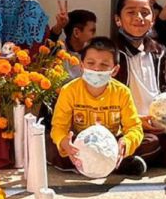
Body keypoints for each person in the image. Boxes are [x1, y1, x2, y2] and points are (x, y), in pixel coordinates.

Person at [113, 0, 166, 170]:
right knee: (152, 143)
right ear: (118, 19)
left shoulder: (159, 51)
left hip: (156, 121)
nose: (139, 17)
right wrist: (135, 120)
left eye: (145, 13)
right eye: (131, 12)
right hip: (126, 123)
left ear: (152, 20)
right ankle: (119, 158)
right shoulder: (111, 52)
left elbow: (164, 87)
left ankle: (130, 159)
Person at [50, 37, 145, 175]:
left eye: (104, 65)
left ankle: (112, 161)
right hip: (80, 144)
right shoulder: (69, 90)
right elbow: (58, 127)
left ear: (114, 70)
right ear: (81, 66)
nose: (96, 69)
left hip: (112, 144)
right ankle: (116, 166)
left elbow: (134, 127)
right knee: (50, 145)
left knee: (152, 142)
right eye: (90, 63)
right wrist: (65, 143)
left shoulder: (122, 92)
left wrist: (126, 143)